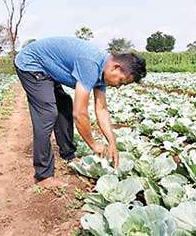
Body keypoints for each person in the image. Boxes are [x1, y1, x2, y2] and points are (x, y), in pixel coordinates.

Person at [14, 37, 147, 188]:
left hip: (48, 67)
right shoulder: (90, 64)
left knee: (64, 105)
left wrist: (112, 142)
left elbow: (102, 109)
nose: (118, 86)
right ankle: (43, 175)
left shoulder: (104, 70)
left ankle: (68, 154)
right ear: (115, 68)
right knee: (47, 113)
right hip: (31, 63)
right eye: (121, 81)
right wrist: (93, 144)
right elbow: (80, 113)